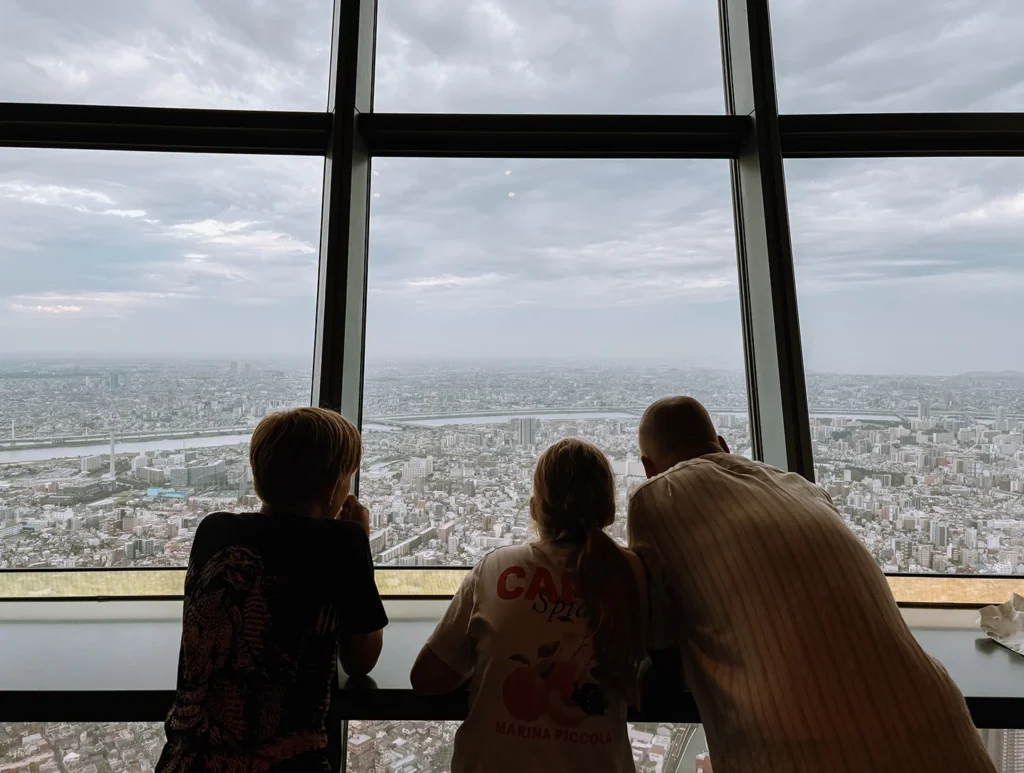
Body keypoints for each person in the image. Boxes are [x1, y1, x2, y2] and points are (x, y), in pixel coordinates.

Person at [627, 396, 996, 773]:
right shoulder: (800, 486)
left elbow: (663, 647)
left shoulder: (654, 498)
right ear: (722, 444)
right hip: (939, 727)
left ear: (648, 468)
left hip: (801, 749)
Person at [156, 407, 388, 773]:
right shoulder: (343, 542)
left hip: (188, 759)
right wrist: (360, 543)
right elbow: (361, 660)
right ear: (333, 488)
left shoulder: (213, 531)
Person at [410, 438, 646, 773]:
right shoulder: (631, 572)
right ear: (608, 508)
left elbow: (427, 677)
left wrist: (488, 664)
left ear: (535, 508)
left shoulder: (497, 568)